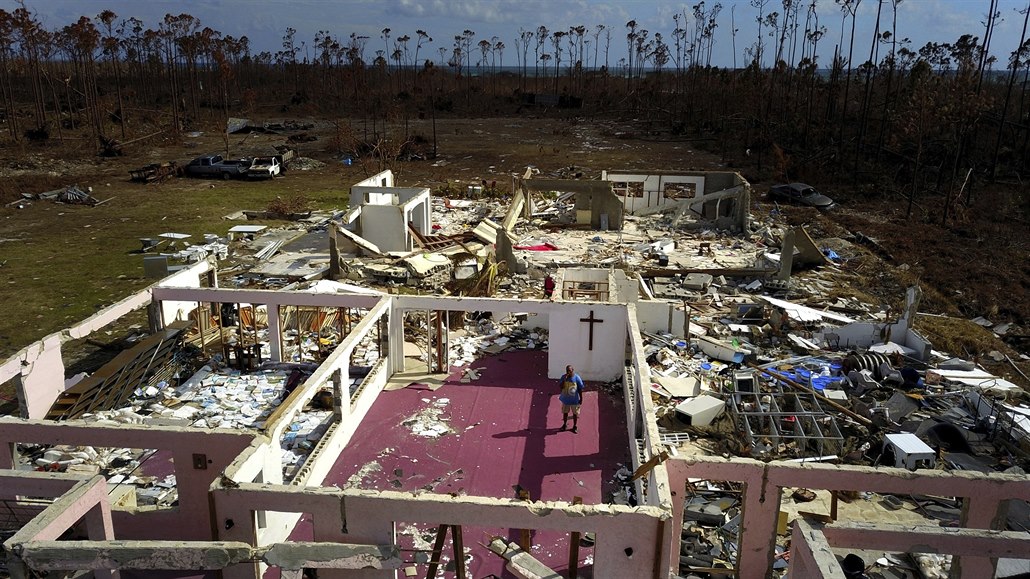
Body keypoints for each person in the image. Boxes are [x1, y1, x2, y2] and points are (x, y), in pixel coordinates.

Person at [558, 365, 585, 433]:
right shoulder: (563, 377)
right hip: (565, 400)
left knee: (575, 414)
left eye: (569, 371)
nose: (568, 372)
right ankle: (564, 425)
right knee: (565, 413)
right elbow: (561, 387)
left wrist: (581, 399)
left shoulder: (577, 378)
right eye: (567, 371)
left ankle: (575, 426)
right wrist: (564, 380)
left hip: (574, 400)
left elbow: (580, 389)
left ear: (573, 370)